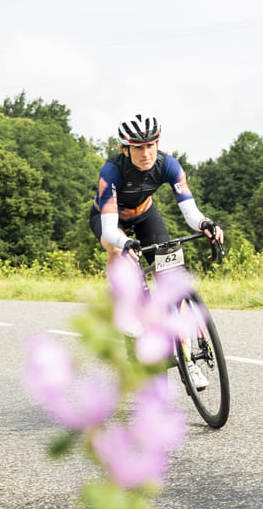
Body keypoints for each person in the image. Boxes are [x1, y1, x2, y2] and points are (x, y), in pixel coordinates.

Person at [92, 115, 225, 389]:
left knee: (171, 277)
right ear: (125, 149)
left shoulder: (168, 165)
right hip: (110, 219)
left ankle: (187, 359)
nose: (146, 153)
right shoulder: (112, 171)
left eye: (151, 145)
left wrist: (205, 224)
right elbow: (107, 228)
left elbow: (189, 210)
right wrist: (124, 241)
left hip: (144, 214)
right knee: (118, 251)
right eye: (139, 147)